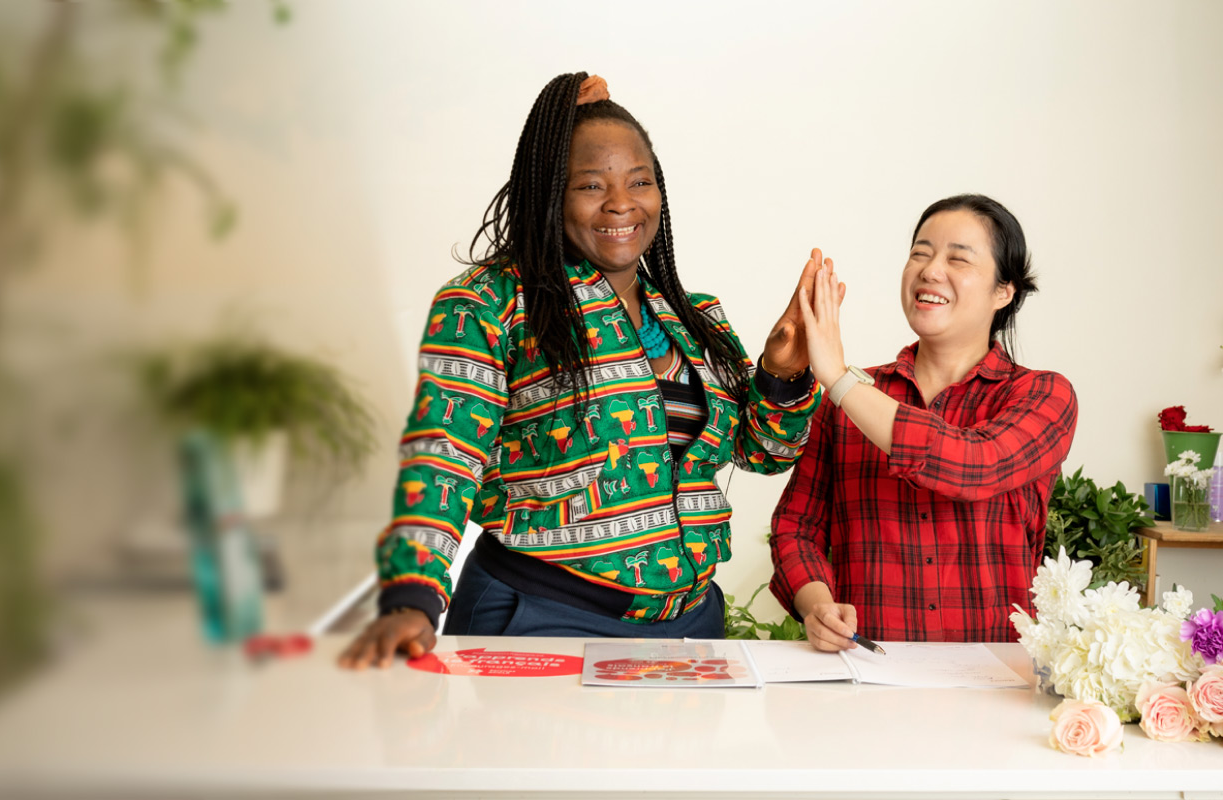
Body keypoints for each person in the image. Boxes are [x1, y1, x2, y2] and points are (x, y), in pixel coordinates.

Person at [338, 72, 825, 669]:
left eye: (639, 182)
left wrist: (782, 374)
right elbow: (444, 451)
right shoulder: (492, 302)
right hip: (541, 618)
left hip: (691, 626)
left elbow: (765, 454)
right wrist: (411, 597)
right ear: (549, 193)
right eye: (591, 185)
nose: (621, 203)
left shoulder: (696, 318)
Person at [769, 194, 1077, 650]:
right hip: (870, 673)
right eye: (920, 253)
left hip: (997, 683)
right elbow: (796, 528)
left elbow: (975, 464)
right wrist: (817, 603)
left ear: (1003, 291)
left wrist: (837, 377)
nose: (931, 270)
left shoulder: (1043, 395)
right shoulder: (846, 403)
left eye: (958, 258)